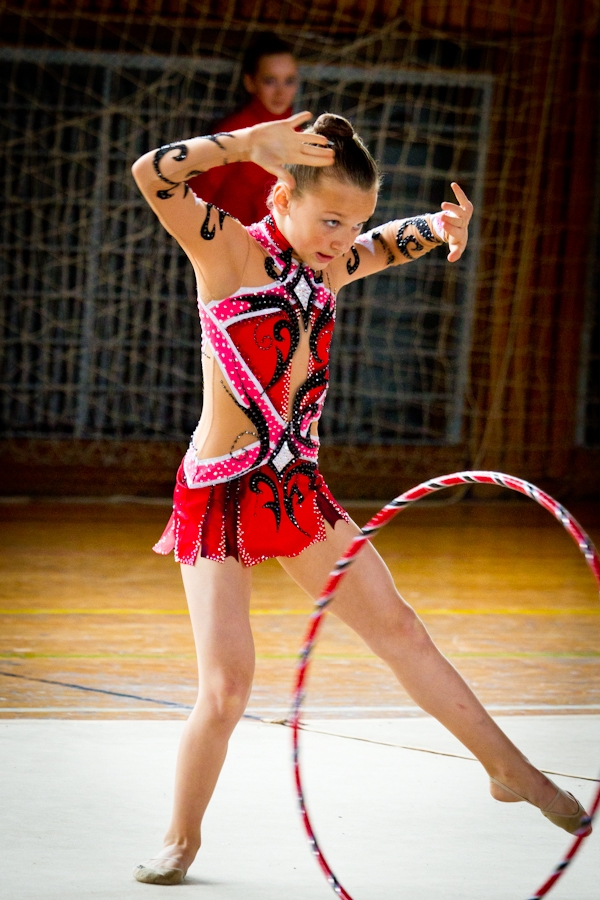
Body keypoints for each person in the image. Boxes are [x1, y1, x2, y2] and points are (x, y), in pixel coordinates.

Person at [130, 111, 591, 885]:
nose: (344, 239)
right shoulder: (229, 252)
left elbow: (386, 243)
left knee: (401, 628)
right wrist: (245, 143)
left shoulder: (330, 264)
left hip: (295, 490)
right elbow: (151, 174)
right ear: (283, 197)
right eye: (330, 220)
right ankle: (181, 837)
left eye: (355, 223)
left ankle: (510, 770)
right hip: (219, 496)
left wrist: (440, 228)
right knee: (228, 687)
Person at [186, 32, 299, 225]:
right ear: (250, 82)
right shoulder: (232, 132)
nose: (281, 92)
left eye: (289, 81)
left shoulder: (300, 136)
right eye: (270, 81)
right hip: (229, 239)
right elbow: (195, 199)